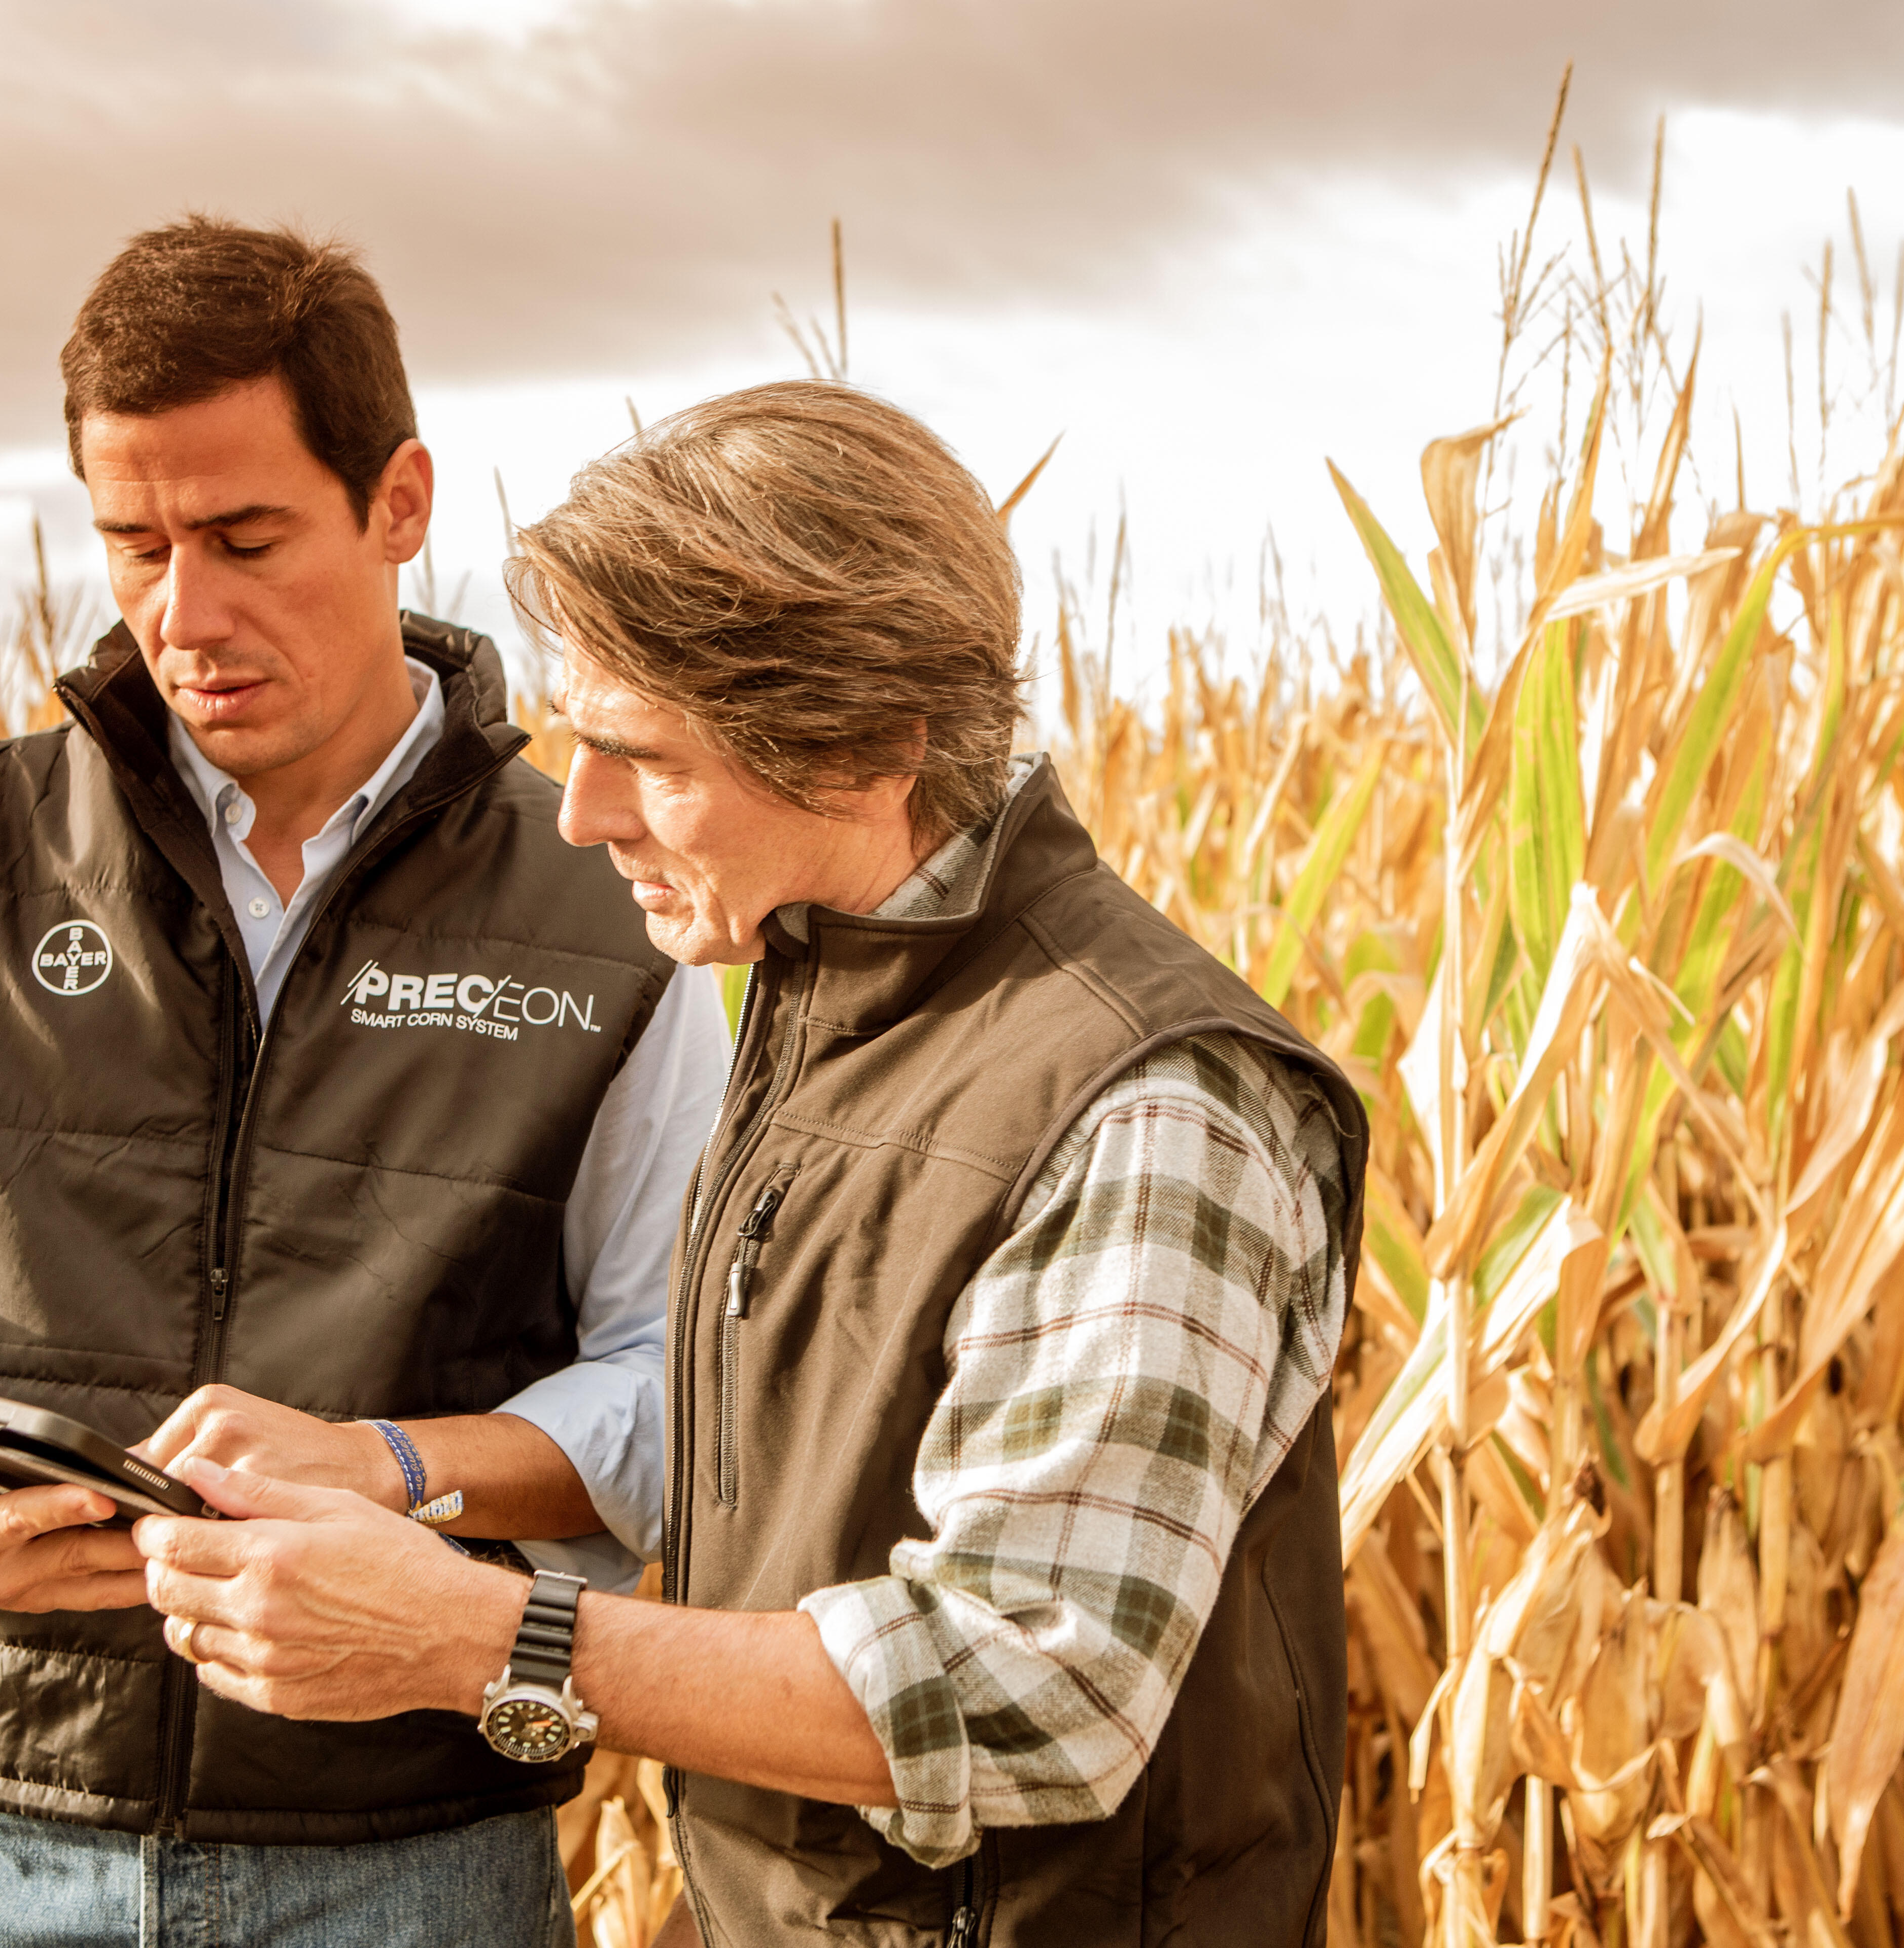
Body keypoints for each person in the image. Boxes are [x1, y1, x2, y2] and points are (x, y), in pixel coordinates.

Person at [132, 381, 1367, 1946]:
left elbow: (1032, 1685)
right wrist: (394, 1478)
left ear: (867, 745)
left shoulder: (1150, 1105)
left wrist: (486, 1642)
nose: (578, 814)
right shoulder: (814, 1016)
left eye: (644, 757)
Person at [0, 217, 728, 1947]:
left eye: (244, 537)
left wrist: (389, 1467)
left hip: (414, 1859)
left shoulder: (611, 886)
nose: (183, 613)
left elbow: (682, 1384)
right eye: (132, 543)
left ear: (400, 502)